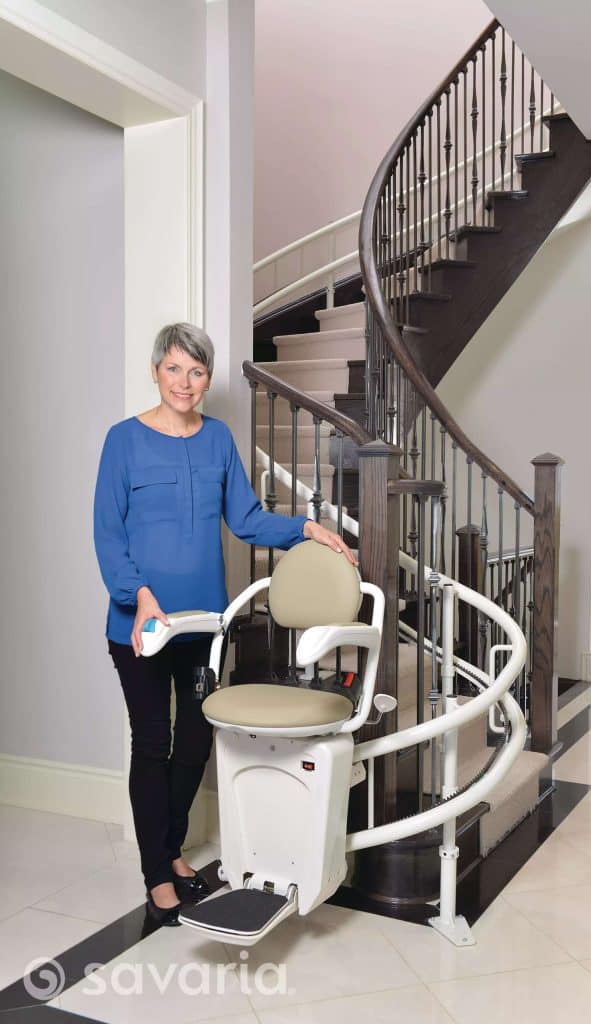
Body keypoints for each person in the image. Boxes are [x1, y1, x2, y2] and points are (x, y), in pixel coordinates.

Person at [93, 322, 356, 926]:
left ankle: (170, 846)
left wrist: (305, 529)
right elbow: (108, 535)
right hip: (142, 628)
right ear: (156, 371)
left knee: (194, 742)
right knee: (153, 741)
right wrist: (139, 596)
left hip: (204, 626)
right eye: (174, 369)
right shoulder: (123, 442)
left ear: (207, 378)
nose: (186, 382)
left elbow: (247, 518)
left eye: (197, 371)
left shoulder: (217, 441)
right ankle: (158, 871)